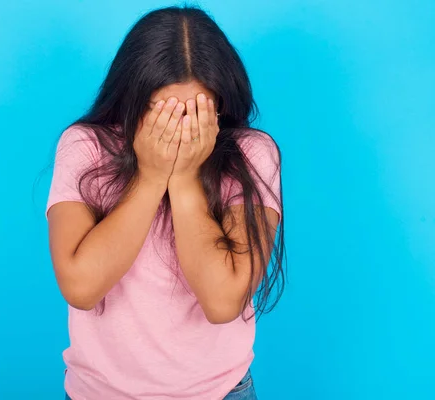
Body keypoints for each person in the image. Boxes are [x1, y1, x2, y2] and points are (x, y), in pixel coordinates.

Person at [46, 5, 285, 400]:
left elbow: (223, 301)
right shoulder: (85, 147)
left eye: (195, 112)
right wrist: (151, 176)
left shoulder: (252, 155)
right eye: (164, 113)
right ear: (133, 99)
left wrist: (186, 179)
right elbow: (81, 286)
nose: (179, 130)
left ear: (221, 106)